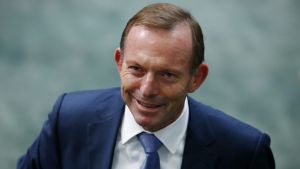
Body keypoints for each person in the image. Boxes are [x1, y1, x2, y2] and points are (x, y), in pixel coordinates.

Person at [17, 3, 275, 169]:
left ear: (196, 78)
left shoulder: (244, 153)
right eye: (137, 69)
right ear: (120, 62)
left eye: (167, 75)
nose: (148, 89)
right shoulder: (68, 120)